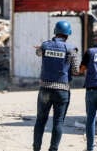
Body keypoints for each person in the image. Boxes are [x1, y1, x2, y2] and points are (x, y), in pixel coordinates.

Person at [33, 20, 80, 151]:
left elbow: (38, 53)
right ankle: (53, 149)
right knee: (58, 122)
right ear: (68, 34)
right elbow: (76, 71)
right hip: (62, 90)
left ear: (55, 31)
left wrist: (40, 48)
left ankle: (36, 148)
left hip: (45, 89)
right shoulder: (71, 49)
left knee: (40, 120)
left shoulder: (45, 45)